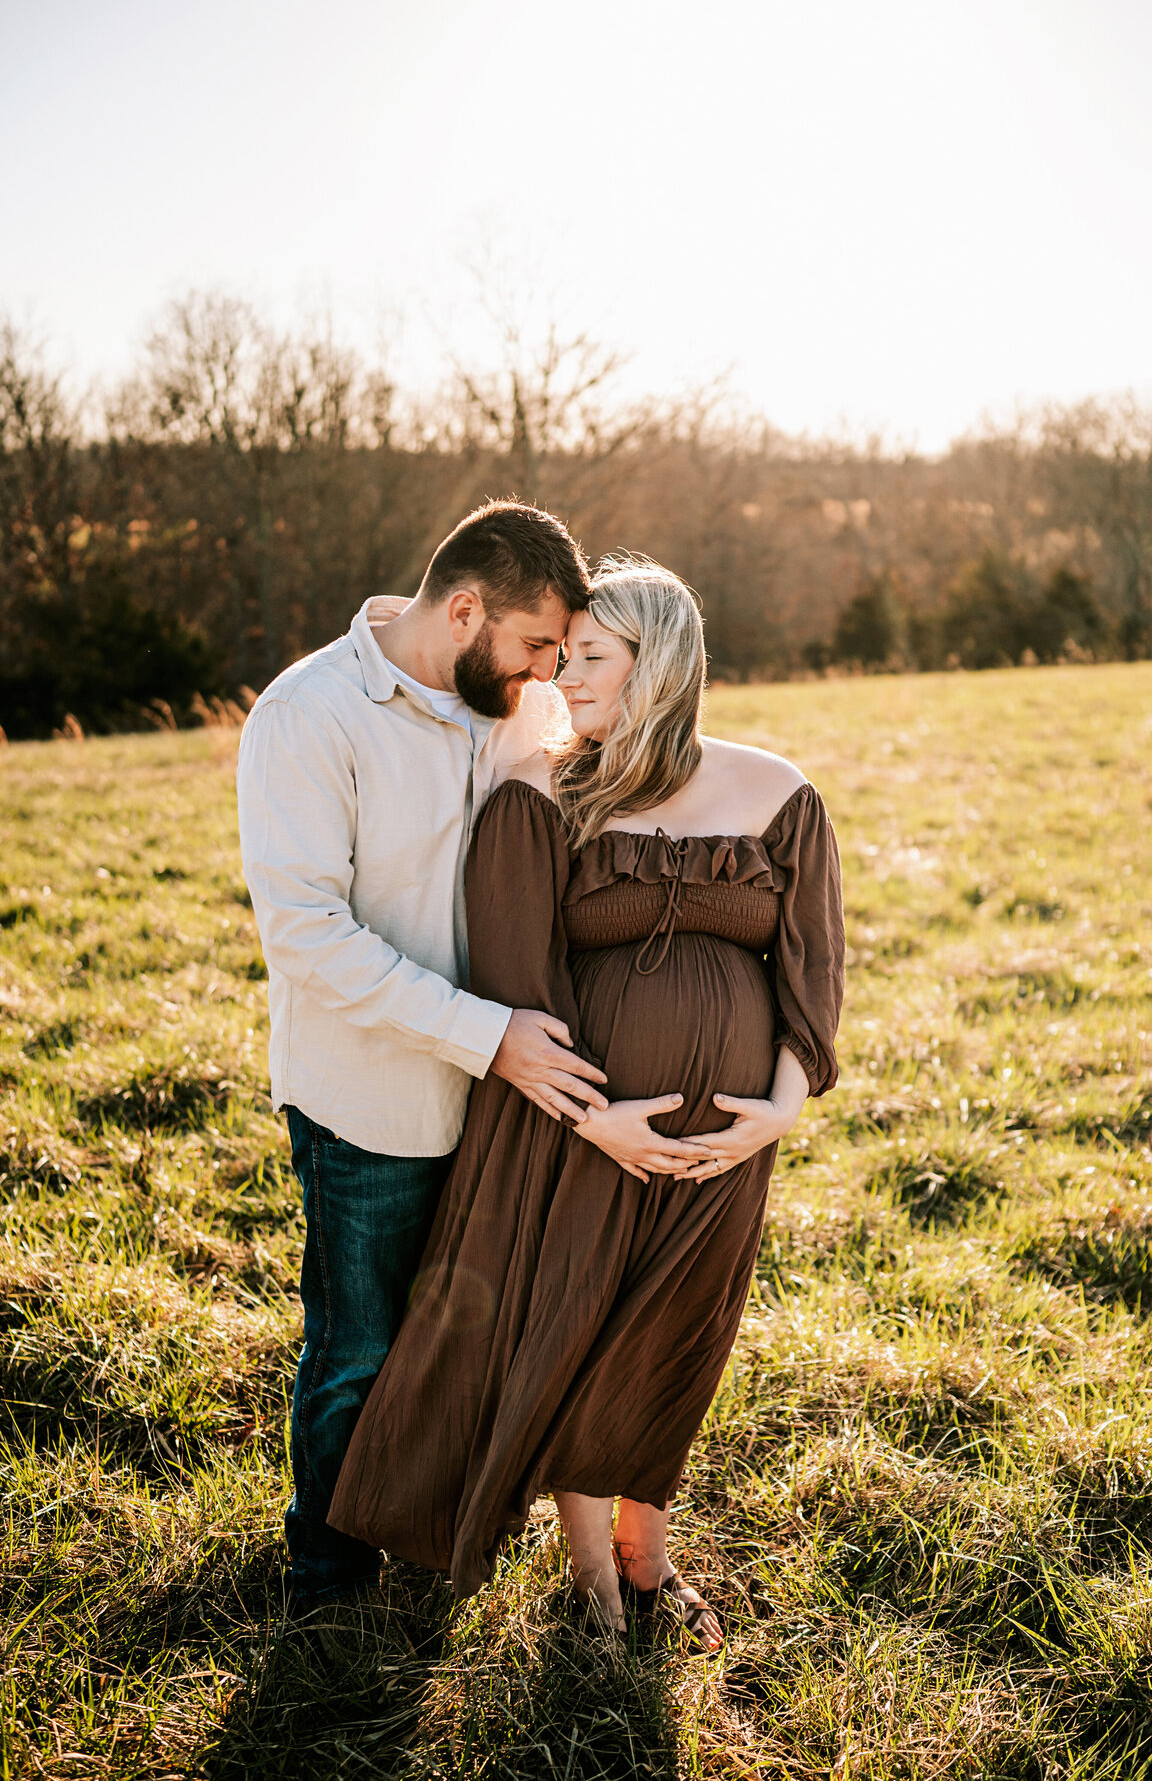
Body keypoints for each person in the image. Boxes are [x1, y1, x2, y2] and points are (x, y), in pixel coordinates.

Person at [327, 558, 845, 1653]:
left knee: (677, 1342)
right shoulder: (540, 798)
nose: (562, 681)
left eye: (590, 659)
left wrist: (780, 1111)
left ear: (659, 665)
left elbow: (814, 975)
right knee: (582, 1333)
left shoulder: (778, 793)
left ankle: (647, 1554)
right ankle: (591, 1580)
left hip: (728, 1143)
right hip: (585, 1134)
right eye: (557, 659)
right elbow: (522, 987)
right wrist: (597, 1122)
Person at [237, 504, 689, 1623]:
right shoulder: (309, 714)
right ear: (463, 610)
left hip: (507, 1106)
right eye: (540, 644)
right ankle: (329, 1582)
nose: (551, 672)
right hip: (375, 1100)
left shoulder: (510, 698)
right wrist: (490, 1036)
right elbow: (306, 933)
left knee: (467, 1337)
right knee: (360, 1346)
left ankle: (429, 1538)